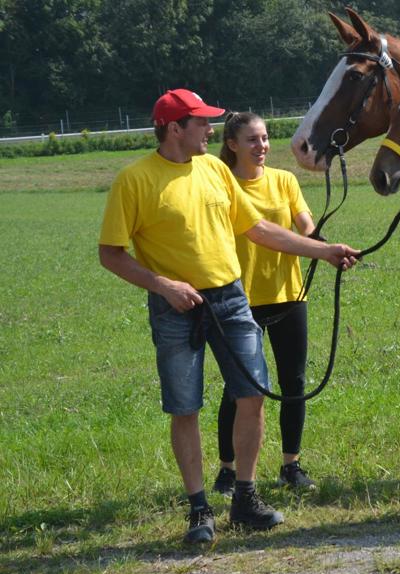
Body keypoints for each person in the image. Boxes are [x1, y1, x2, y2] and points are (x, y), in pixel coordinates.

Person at [98, 89, 359, 544]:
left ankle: (244, 498)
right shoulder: (134, 180)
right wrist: (163, 285)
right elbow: (111, 253)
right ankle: (199, 509)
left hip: (231, 300)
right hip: (176, 307)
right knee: (186, 407)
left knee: (252, 394)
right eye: (201, 122)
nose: (211, 130)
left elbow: (257, 228)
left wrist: (326, 250)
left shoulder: (216, 170)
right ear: (174, 127)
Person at [213, 111, 317, 494]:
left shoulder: (284, 180)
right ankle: (228, 469)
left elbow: (304, 222)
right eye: (253, 139)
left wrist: (318, 240)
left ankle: (291, 465)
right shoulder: (223, 186)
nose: (262, 146)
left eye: (265, 138)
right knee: (239, 389)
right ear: (233, 144)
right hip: (240, 299)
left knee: (295, 382)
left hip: (289, 295)